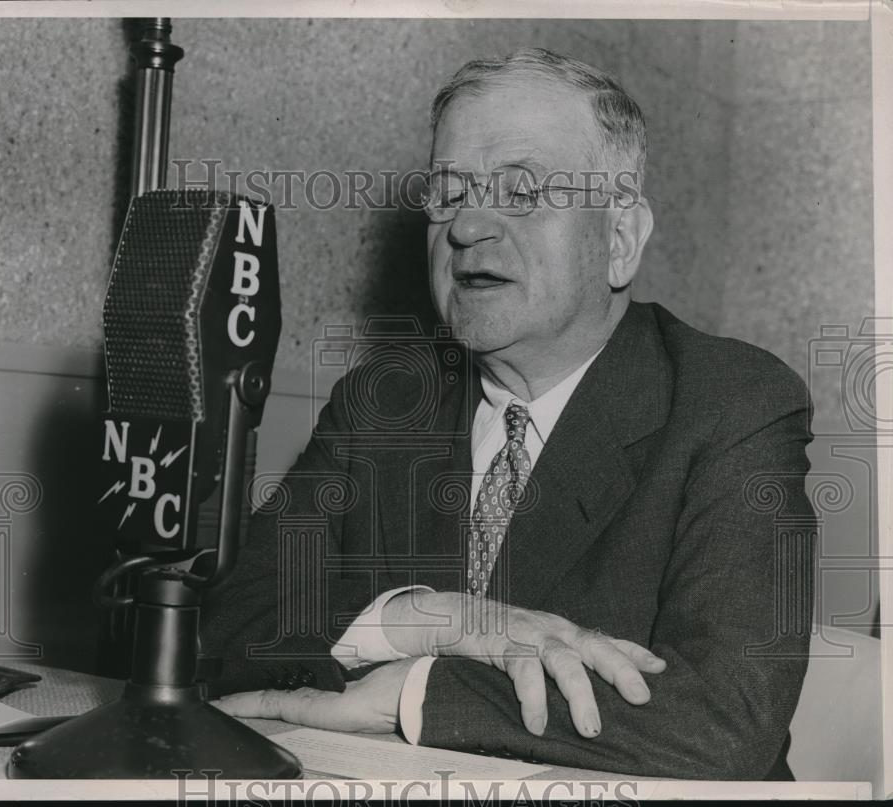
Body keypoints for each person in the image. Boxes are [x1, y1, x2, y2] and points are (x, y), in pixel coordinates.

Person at [199, 48, 816, 780]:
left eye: (521, 192)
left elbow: (726, 720)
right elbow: (228, 630)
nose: (466, 228)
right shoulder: (385, 402)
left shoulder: (732, 402)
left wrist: (418, 691)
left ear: (619, 239)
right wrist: (441, 619)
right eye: (450, 192)